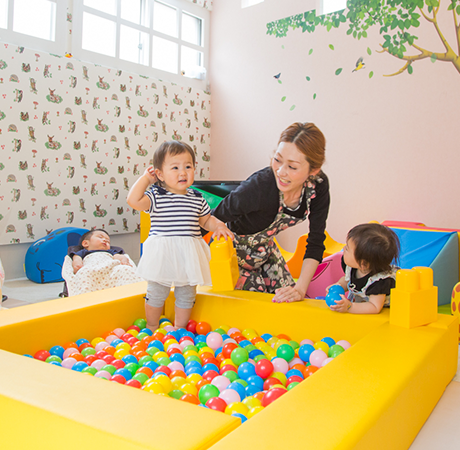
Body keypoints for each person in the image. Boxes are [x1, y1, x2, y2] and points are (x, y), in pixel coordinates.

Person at [212, 122, 330, 303]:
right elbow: (212, 217)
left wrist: (299, 289)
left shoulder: (317, 187)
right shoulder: (258, 187)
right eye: (277, 159)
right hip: (233, 254)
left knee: (289, 300)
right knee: (256, 304)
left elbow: (315, 241)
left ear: (313, 170)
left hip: (265, 250)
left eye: (292, 167)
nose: (281, 172)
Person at [127, 141, 233, 332]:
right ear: (160, 174)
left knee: (187, 293)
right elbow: (133, 200)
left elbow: (206, 220)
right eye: (175, 167)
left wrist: (217, 225)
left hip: (188, 254)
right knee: (157, 291)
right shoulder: (156, 196)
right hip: (163, 254)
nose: (182, 172)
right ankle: (151, 326)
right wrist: (145, 179)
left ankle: (180, 328)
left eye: (188, 166)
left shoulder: (196, 197)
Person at [327, 223, 400, 314]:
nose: (343, 248)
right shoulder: (353, 266)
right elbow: (347, 280)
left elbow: (375, 307)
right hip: (363, 307)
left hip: (386, 312)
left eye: (347, 249)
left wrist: (350, 307)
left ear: (363, 264)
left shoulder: (379, 282)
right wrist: (339, 286)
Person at [63, 229, 142, 296]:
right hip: (91, 269)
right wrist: (77, 265)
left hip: (110, 268)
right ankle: (86, 298)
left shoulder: (111, 251)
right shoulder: (82, 252)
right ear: (85, 243)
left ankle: (131, 294)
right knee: (84, 273)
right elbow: (76, 259)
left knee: (124, 269)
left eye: (108, 241)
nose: (105, 240)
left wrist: (123, 260)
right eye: (100, 237)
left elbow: (118, 256)